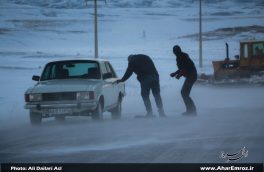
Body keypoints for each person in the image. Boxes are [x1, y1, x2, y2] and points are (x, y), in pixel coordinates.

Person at [170, 45, 197, 115]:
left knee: (184, 93)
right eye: (174, 51)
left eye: (175, 51)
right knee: (184, 93)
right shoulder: (181, 56)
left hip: (191, 76)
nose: (174, 52)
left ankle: (192, 111)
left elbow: (186, 68)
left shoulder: (181, 57)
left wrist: (179, 75)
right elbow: (182, 68)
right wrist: (175, 73)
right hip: (191, 75)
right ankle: (191, 110)